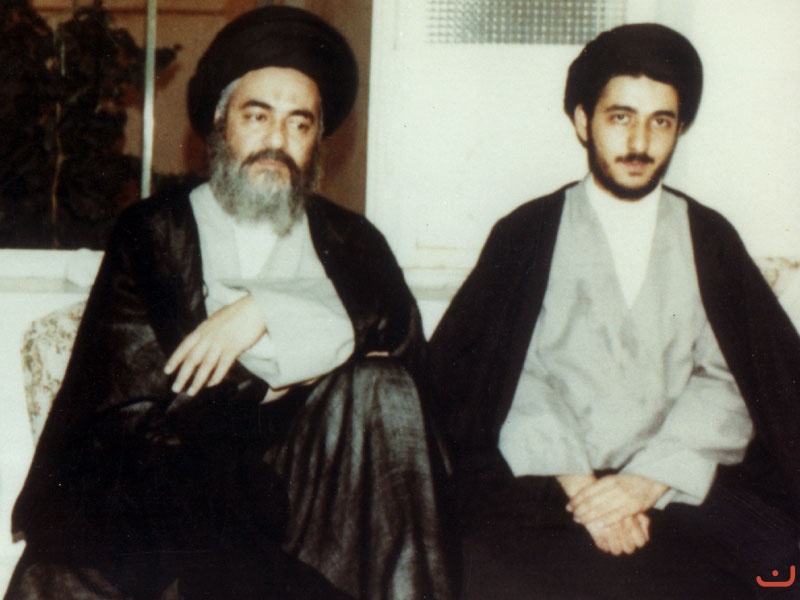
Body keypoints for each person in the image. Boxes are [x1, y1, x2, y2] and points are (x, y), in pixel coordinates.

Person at [6, 7, 451, 600]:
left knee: (385, 389)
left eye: (299, 124)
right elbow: (127, 401)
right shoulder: (155, 229)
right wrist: (297, 363)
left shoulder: (353, 240)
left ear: (318, 141)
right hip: (174, 486)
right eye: (257, 116)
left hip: (314, 494)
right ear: (220, 125)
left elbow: (398, 335)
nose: (277, 143)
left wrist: (260, 313)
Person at [428, 23, 800, 599]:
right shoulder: (526, 233)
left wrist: (646, 481)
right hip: (547, 483)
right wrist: (588, 492)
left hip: (678, 484)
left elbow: (732, 380)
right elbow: (506, 377)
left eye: (661, 121)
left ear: (679, 129)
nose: (639, 142)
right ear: (583, 121)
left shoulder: (710, 238)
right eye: (620, 117)